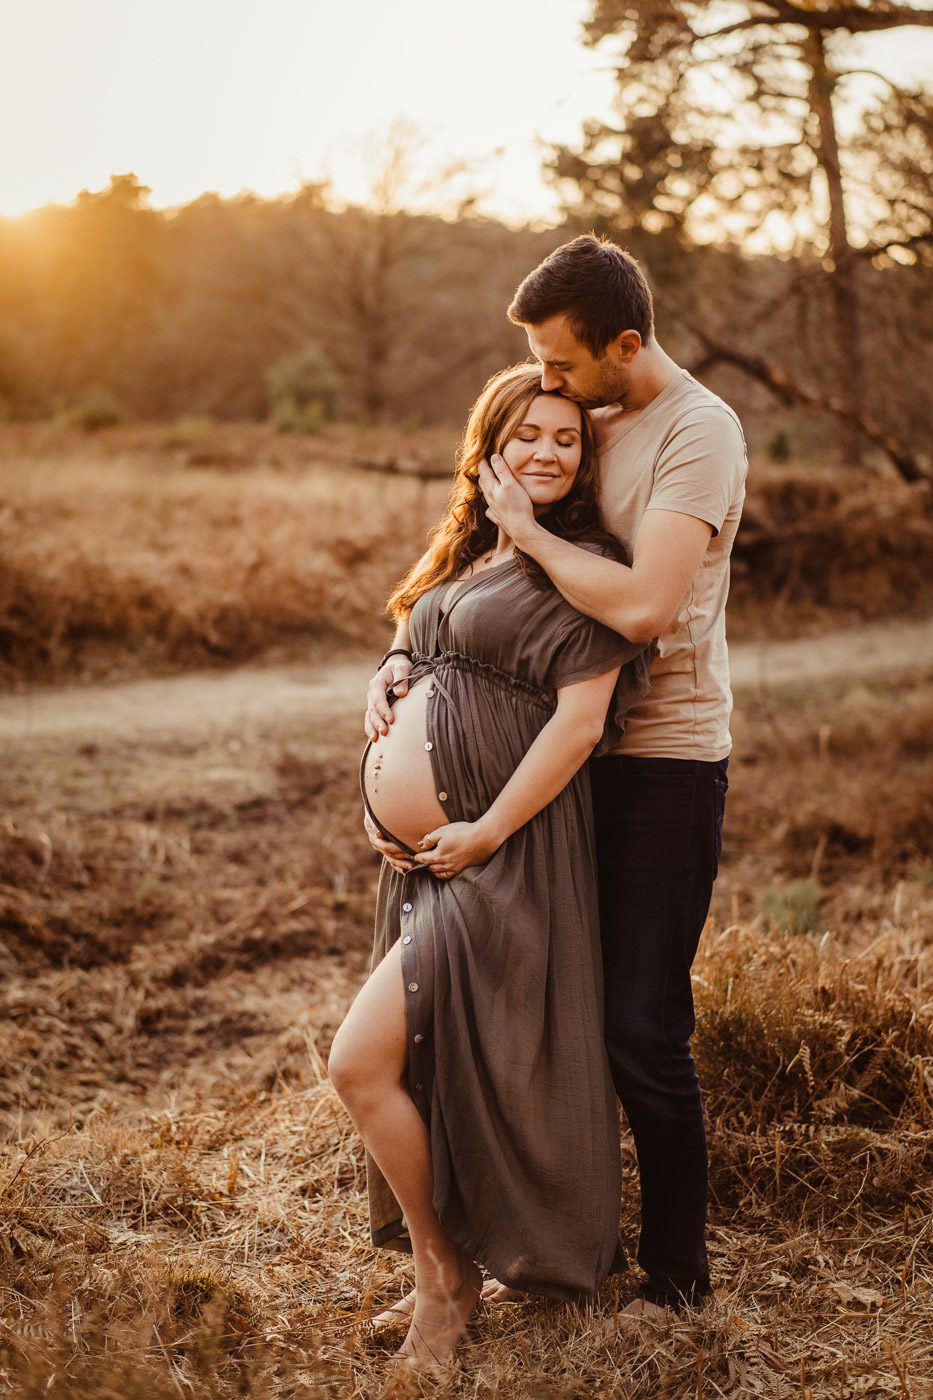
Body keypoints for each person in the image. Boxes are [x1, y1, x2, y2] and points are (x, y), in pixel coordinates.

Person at [366, 235, 747, 1319]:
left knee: (636, 1026)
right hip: (550, 769)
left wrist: (530, 532)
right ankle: (511, 1252)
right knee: (513, 1022)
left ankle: (676, 1281)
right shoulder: (579, 417)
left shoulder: (696, 432)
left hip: (657, 766)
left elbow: (640, 609)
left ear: (625, 345)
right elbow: (468, 571)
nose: (548, 385)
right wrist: (404, 656)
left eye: (563, 364)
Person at [329, 362, 653, 1368]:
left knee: (360, 1061)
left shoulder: (589, 563)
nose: (550, 451)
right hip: (429, 857)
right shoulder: (469, 548)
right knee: (435, 1064)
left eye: (567, 438)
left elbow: (580, 724)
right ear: (491, 447)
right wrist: (387, 682)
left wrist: (485, 830)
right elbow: (420, 648)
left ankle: (447, 1278)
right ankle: (449, 1264)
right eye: (529, 434)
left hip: (503, 853)